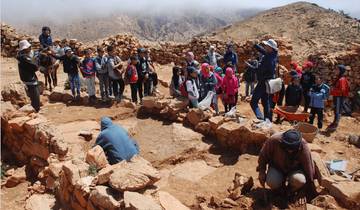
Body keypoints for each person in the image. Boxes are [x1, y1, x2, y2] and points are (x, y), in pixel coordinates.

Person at [257, 130, 316, 201]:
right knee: (272, 181)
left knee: (299, 180)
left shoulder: (303, 146)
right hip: (277, 167)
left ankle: (290, 191)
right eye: (287, 148)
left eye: (292, 149)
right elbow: (263, 156)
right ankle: (280, 190)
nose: (289, 151)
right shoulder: (274, 140)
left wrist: (303, 191)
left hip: (295, 170)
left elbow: (309, 170)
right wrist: (261, 171)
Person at [250, 39, 278, 121]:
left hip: (263, 82)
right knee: (265, 102)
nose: (265, 46)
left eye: (266, 46)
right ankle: (268, 120)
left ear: (270, 47)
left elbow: (259, 70)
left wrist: (251, 67)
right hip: (268, 83)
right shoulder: (273, 54)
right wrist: (255, 46)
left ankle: (261, 118)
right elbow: (264, 51)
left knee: (253, 102)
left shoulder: (268, 59)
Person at [17, 40, 40, 112]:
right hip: (30, 79)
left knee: (32, 96)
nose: (30, 48)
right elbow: (35, 67)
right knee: (35, 97)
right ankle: (35, 111)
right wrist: (35, 59)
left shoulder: (20, 56)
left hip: (26, 78)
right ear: (25, 48)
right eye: (29, 47)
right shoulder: (24, 58)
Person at [328, 64, 350, 131]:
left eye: (337, 69)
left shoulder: (341, 79)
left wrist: (333, 91)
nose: (335, 71)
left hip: (339, 97)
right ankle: (335, 122)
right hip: (337, 96)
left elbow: (342, 90)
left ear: (341, 71)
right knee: (336, 110)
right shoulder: (339, 78)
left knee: (337, 110)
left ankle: (336, 124)